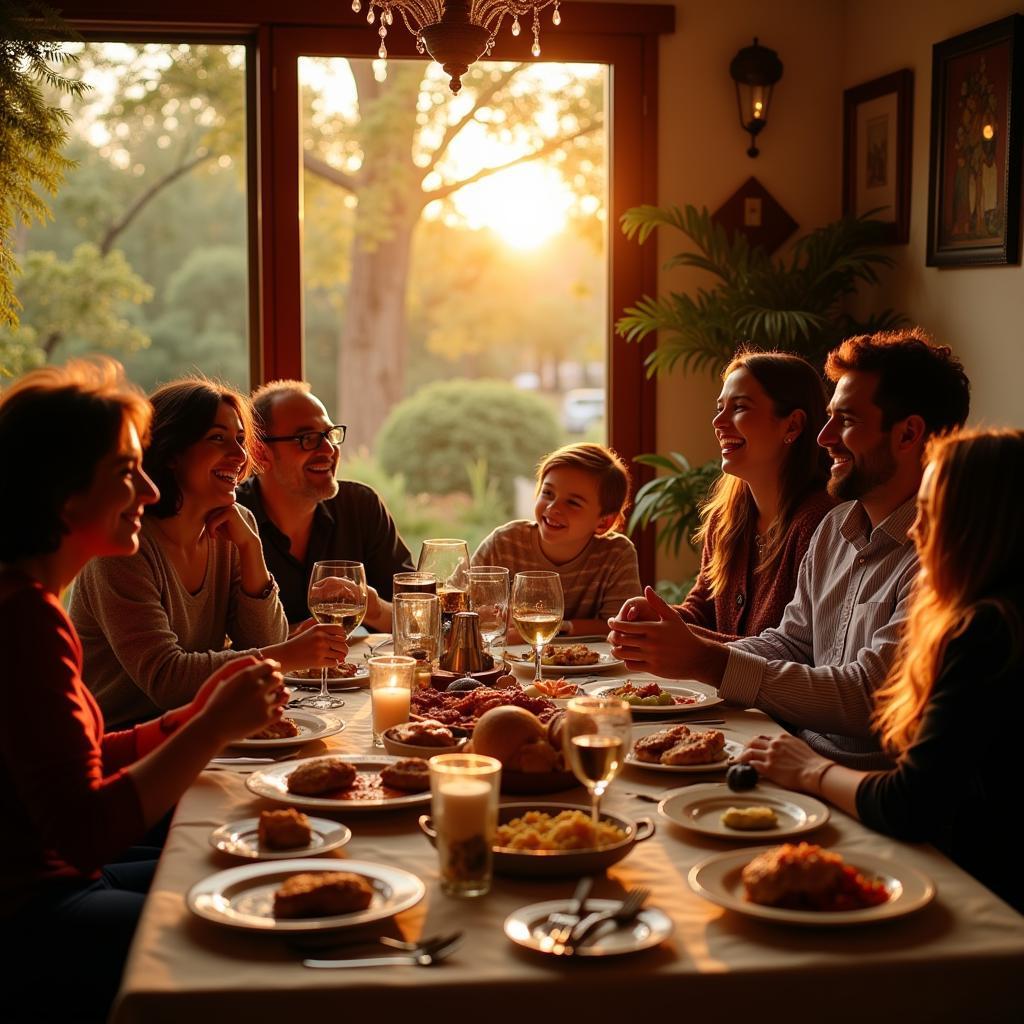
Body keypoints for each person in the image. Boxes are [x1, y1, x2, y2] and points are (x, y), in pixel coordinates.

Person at [0, 359, 290, 1023]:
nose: (149, 491)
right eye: (126, 473)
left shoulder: (28, 600)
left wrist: (184, 719)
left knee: (241, 857)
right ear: (64, 492)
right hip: (34, 914)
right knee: (253, 929)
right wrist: (210, 729)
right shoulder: (24, 622)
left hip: (61, 879)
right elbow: (82, 834)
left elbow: (72, 756)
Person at [609, 329, 971, 767]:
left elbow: (868, 697)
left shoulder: (943, 556)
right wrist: (681, 648)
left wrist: (707, 661)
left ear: (908, 434)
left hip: (862, 786)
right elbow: (790, 644)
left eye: (847, 420)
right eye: (830, 416)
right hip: (792, 756)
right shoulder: (836, 528)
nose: (824, 436)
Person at [739, 429, 1023, 913]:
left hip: (985, 894)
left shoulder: (989, 631)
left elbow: (911, 804)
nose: (915, 531)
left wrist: (808, 768)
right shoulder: (985, 614)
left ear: (979, 525)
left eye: (931, 513)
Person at [70, 376, 348, 728]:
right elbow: (166, 680)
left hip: (202, 730)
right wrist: (286, 655)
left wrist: (251, 549)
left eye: (241, 440)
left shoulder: (233, 528)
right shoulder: (124, 546)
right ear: (171, 452)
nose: (239, 456)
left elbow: (264, 641)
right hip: (124, 742)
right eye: (218, 439)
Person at [678, 351, 833, 641]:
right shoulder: (726, 518)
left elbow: (802, 655)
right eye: (720, 407)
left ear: (792, 425)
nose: (718, 422)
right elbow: (703, 609)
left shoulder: (822, 523)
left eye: (739, 408)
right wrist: (657, 616)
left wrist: (685, 643)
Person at [237, 380, 413, 629]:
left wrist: (371, 607)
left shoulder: (361, 507)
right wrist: (293, 643)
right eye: (307, 438)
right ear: (260, 452)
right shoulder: (230, 520)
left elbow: (419, 620)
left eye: (329, 434)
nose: (329, 449)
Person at [473, 442, 642, 638]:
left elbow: (620, 626)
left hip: (589, 667)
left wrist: (561, 627)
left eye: (573, 502)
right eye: (547, 493)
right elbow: (457, 606)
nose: (553, 508)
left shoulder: (617, 555)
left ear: (604, 522)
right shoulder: (503, 544)